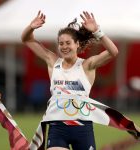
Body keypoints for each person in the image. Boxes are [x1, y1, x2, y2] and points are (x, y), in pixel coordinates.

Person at [21, 10, 118, 150]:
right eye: (61, 44)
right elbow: (27, 39)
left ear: (77, 44)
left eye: (68, 43)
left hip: (82, 129)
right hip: (57, 128)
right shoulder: (53, 62)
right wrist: (31, 27)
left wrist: (97, 31)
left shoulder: (87, 65)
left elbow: (113, 52)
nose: (64, 47)